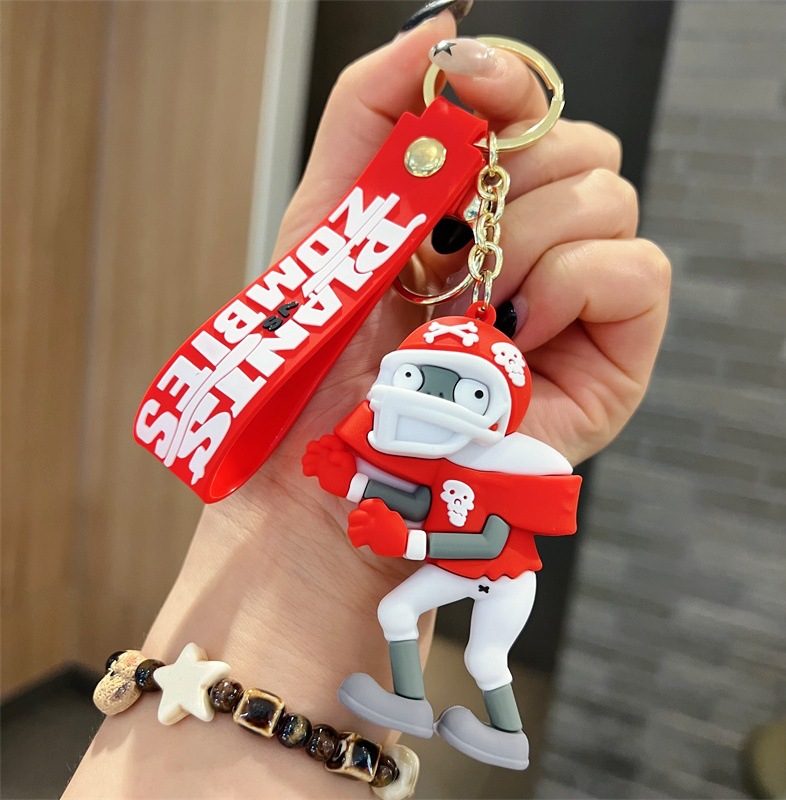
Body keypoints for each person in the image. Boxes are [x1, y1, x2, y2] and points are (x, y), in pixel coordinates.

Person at [64, 2, 670, 797]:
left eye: (455, 389)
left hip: (492, 574)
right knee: (397, 616)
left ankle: (502, 728)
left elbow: (484, 539)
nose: (426, 400)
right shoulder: (392, 429)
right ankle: (410, 698)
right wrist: (321, 504)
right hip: (418, 562)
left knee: (486, 656)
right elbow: (393, 486)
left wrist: (394, 537)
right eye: (418, 379)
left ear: (494, 408)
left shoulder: (513, 465)